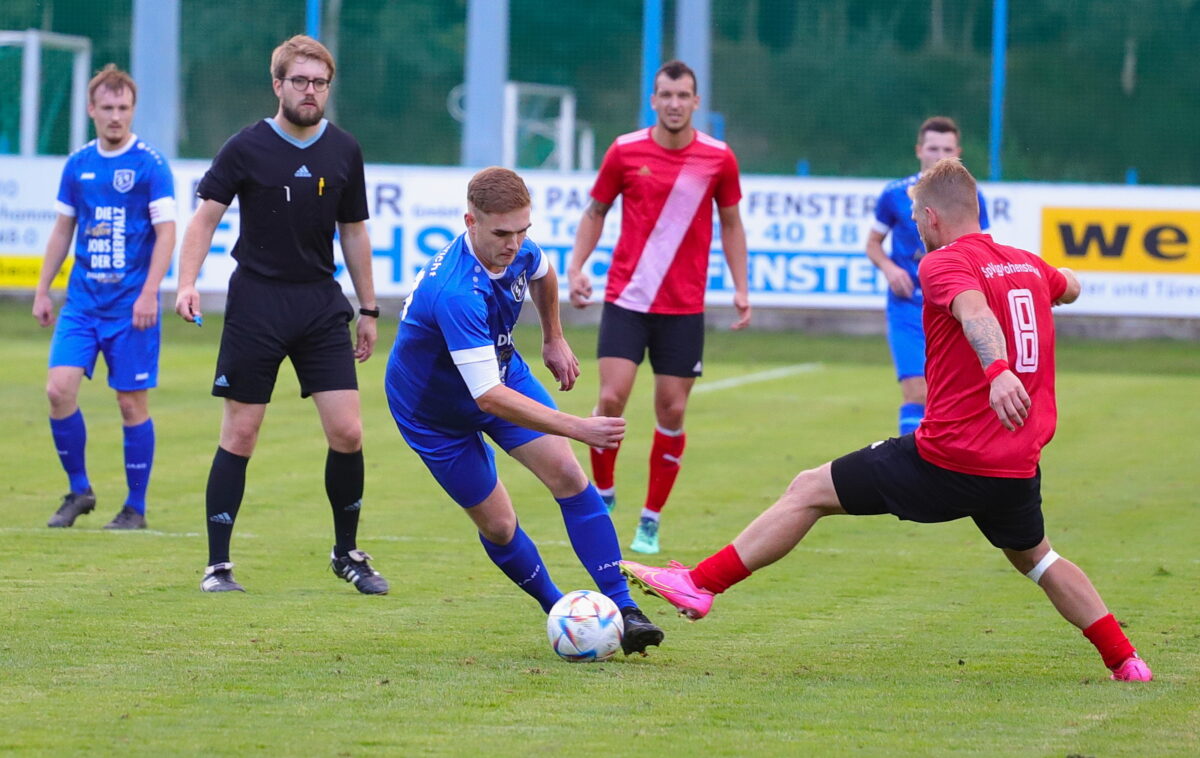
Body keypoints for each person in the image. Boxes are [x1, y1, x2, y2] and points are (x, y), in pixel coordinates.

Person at [622, 159, 1153, 682]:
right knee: (1038, 559)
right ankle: (1126, 659)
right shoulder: (1026, 264)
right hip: (1015, 466)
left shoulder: (942, 263)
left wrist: (997, 371)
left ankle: (700, 584)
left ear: (933, 217)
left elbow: (974, 312)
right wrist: (1059, 283)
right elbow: (1070, 286)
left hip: (948, 459)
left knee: (808, 489)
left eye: (917, 218)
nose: (916, 228)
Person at [384, 166, 665, 656]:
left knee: (569, 476)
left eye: (522, 230)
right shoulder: (456, 292)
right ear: (470, 222)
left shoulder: (519, 249)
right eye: (501, 234)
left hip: (498, 372)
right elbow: (488, 398)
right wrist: (577, 426)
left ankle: (624, 609)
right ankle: (563, 612)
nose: (513, 244)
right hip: (433, 413)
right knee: (498, 524)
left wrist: (553, 336)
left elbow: (544, 273)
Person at [174, 35, 387, 595]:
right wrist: (188, 282)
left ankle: (347, 554)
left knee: (348, 431)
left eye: (320, 82)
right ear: (278, 85)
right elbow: (204, 220)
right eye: (300, 81)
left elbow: (354, 232)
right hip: (257, 303)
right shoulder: (245, 147)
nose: (310, 91)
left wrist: (368, 308)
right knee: (241, 433)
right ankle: (218, 566)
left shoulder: (344, 149)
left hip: (320, 304)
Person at [566, 59, 751, 556]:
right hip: (627, 299)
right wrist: (577, 266)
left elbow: (732, 223)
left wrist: (741, 287)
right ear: (653, 100)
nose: (674, 103)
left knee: (672, 409)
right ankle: (604, 494)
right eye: (665, 95)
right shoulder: (625, 150)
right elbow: (595, 211)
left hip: (683, 307)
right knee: (611, 399)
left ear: (696, 102)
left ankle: (650, 518)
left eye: (682, 95)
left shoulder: (718, 158)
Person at [33, 64, 176, 530]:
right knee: (58, 390)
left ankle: (135, 507)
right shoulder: (78, 165)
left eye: (124, 108)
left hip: (132, 307)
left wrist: (150, 293)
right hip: (82, 304)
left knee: (131, 405)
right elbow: (62, 230)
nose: (116, 116)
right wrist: (42, 289)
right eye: (108, 108)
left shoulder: (150, 165)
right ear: (91, 110)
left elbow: (167, 232)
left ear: (133, 110)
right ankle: (80, 490)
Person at [866, 116, 989, 435]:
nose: (939, 156)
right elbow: (873, 244)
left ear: (958, 153)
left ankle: (942, 457)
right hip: (908, 307)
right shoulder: (895, 194)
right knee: (917, 392)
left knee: (949, 396)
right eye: (933, 148)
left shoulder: (971, 198)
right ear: (919, 150)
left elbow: (982, 248)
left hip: (952, 310)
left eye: (947, 150)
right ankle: (912, 461)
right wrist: (890, 268)